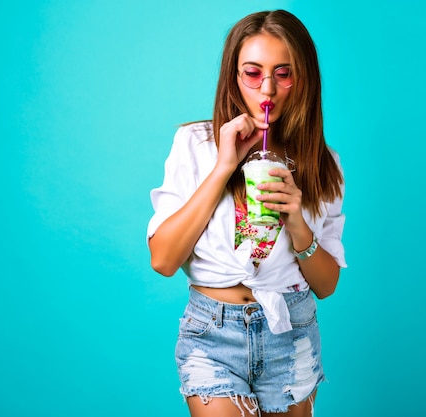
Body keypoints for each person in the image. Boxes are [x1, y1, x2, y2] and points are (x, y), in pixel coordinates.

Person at [147, 9, 346, 417]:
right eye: (252, 73)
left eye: (283, 73)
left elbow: (326, 285)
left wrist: (297, 222)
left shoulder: (323, 164)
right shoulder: (196, 144)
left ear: (302, 78)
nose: (267, 89)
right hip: (213, 332)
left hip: (290, 332)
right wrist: (223, 167)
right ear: (234, 77)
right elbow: (164, 259)